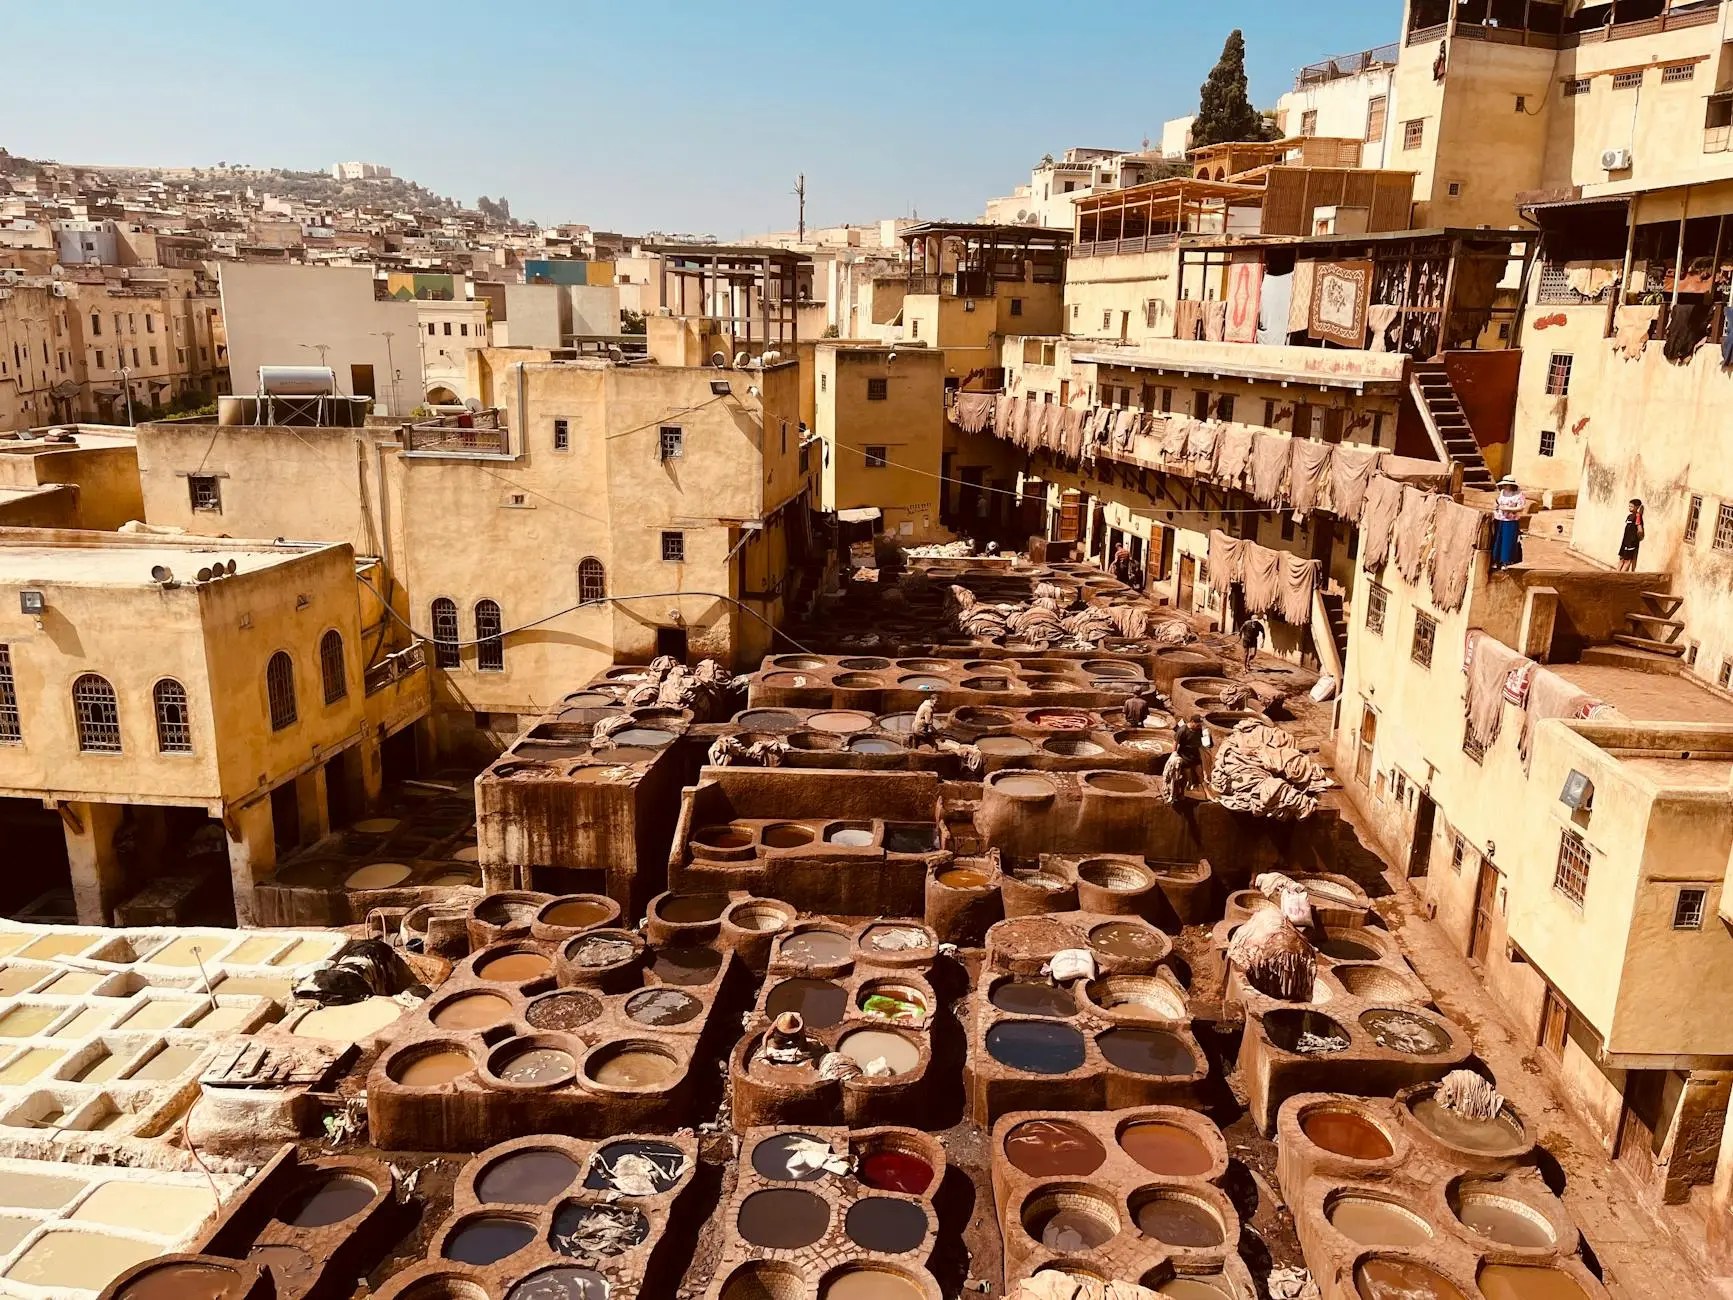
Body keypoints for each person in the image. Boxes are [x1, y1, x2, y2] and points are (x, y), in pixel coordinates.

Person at [1165, 717, 1206, 803]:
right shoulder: (1182, 730)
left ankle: (1206, 794)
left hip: (1195, 756)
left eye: (1200, 724)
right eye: (1197, 724)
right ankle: (1179, 794)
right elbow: (1175, 743)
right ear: (1192, 722)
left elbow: (1201, 742)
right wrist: (1174, 754)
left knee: (1200, 775)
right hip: (1184, 756)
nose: (1199, 726)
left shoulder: (1199, 730)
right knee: (1183, 777)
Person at [1490, 476, 1525, 571]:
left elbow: (1521, 508)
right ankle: (1496, 560)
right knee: (1498, 540)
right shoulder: (1502, 492)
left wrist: (1508, 509)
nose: (1504, 486)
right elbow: (1497, 502)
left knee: (1508, 541)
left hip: (1511, 521)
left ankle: (1506, 562)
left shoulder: (1519, 494)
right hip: (1499, 519)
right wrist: (1496, 505)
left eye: (1506, 484)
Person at [1617, 499, 1645, 572]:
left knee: (1627, 561)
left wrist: (1637, 538)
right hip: (1625, 541)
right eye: (1629, 506)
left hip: (1631, 542)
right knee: (1621, 558)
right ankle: (1616, 574)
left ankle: (1620, 576)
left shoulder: (1638, 516)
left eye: (1632, 507)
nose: (1630, 508)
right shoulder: (1629, 516)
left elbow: (1640, 529)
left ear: (1637, 507)